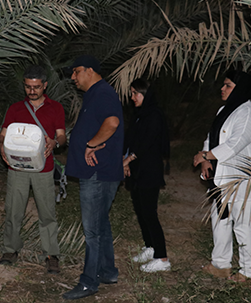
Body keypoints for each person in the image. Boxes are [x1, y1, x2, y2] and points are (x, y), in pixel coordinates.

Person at [192, 70, 251, 284]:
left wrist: (204, 155)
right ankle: (221, 265)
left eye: (228, 85)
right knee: (220, 220)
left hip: (245, 178)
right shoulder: (225, 109)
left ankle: (250, 273)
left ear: (240, 89)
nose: (222, 89)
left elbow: (235, 144)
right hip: (223, 176)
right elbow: (212, 136)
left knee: (243, 223)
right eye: (224, 85)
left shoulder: (249, 113)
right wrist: (207, 159)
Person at [63, 55, 124, 300]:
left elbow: (112, 122)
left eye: (76, 71)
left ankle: (89, 282)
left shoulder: (102, 93)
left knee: (92, 232)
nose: (73, 78)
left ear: (90, 70)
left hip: (97, 172)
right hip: (100, 172)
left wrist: (90, 144)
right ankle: (108, 271)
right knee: (101, 225)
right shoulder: (96, 94)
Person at [0, 65, 66, 274]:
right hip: (17, 167)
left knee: (47, 213)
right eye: (27, 87)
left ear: (45, 85)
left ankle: (52, 254)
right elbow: (2, 134)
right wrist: (1, 146)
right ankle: (11, 249)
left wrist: (55, 143)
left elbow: (62, 135)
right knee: (14, 210)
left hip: (44, 168)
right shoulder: (15, 108)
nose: (31, 91)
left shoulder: (55, 108)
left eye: (36, 87)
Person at [123, 78, 171, 272]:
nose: (132, 97)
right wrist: (126, 159)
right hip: (137, 170)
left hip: (149, 170)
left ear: (146, 94)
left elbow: (148, 142)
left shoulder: (154, 115)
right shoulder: (140, 115)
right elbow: (132, 140)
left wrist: (128, 159)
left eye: (136, 93)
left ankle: (162, 258)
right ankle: (150, 247)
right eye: (132, 93)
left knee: (150, 213)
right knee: (141, 211)